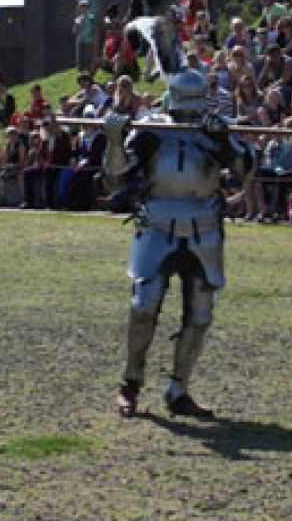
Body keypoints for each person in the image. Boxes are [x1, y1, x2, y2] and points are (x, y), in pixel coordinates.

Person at [103, 71, 257, 418]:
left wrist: (226, 141)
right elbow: (117, 176)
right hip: (157, 224)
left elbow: (246, 169)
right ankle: (131, 382)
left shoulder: (213, 129)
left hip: (203, 228)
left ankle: (179, 389)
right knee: (143, 306)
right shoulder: (151, 130)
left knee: (200, 315)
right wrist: (114, 140)